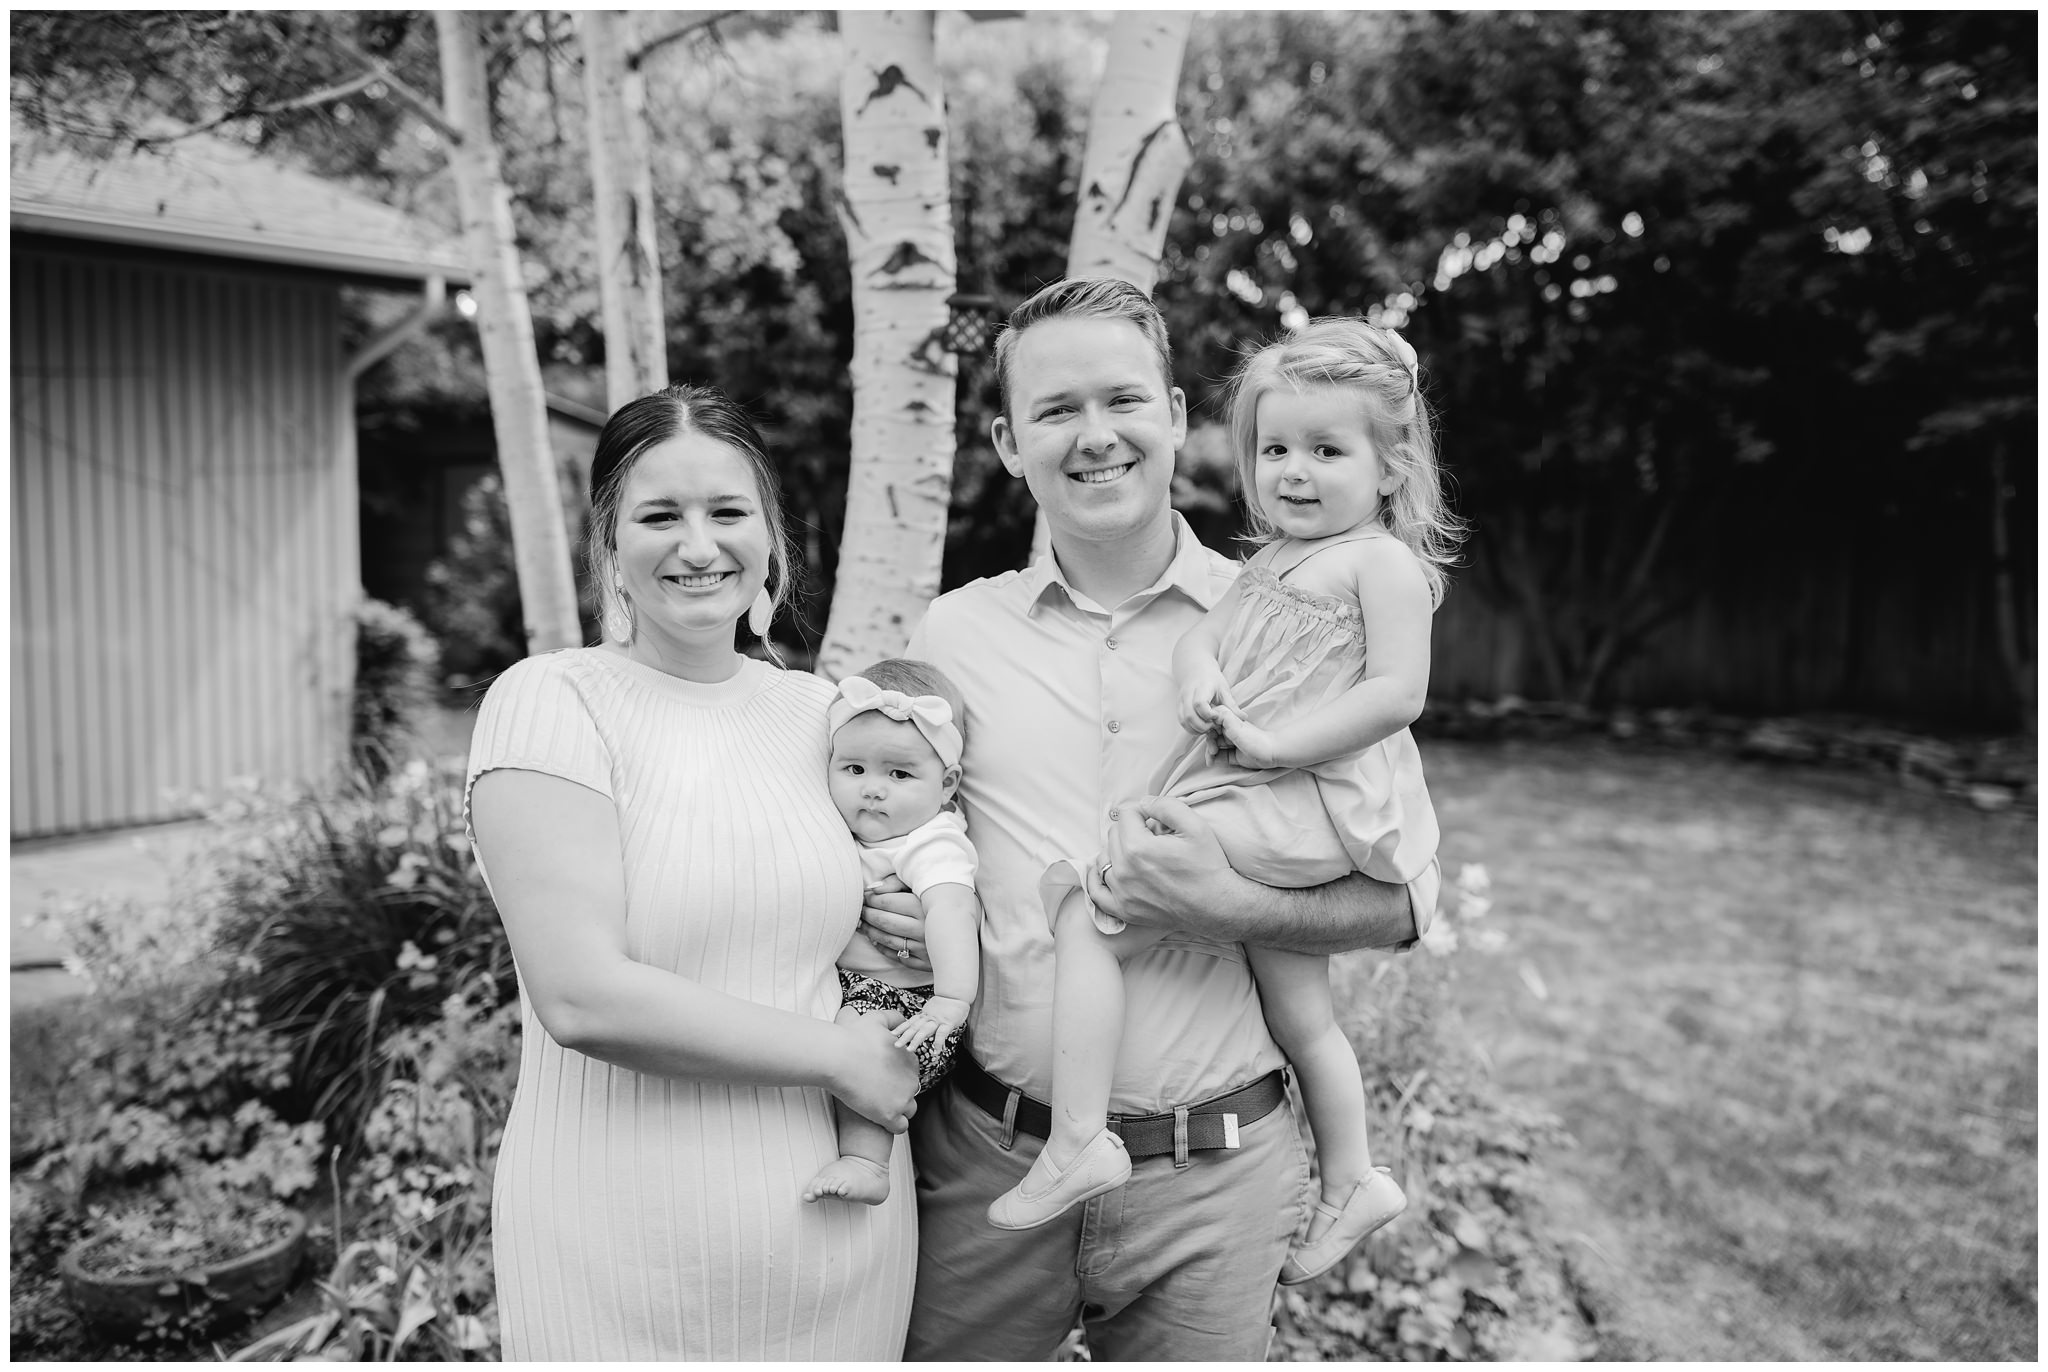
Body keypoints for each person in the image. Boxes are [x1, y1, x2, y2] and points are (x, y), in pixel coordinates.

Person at [860, 278, 1443, 1361]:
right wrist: (893, 896)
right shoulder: (953, 635)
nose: (1094, 437)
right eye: (1054, 410)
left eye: (1123, 399)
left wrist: (1227, 902)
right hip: (994, 1160)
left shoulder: (1297, 618)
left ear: (1175, 418)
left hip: (1214, 1181)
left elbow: (1399, 899)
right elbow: (892, 820)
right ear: (1004, 440)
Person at [992, 317, 1460, 1290]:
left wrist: (1275, 741)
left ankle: (1077, 1135)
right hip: (1258, 781)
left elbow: (1396, 695)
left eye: (1325, 450)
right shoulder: (1264, 565)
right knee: (1303, 1018)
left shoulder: (1378, 565)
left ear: (1389, 466)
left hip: (1305, 797)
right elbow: (1203, 641)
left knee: (1098, 905)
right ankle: (1353, 1177)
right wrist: (1204, 678)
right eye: (1272, 448)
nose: (1292, 471)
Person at [464, 384, 920, 1360]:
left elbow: (840, 925)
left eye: (726, 512)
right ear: (608, 546)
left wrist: (911, 925)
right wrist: (840, 1057)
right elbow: (584, 996)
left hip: (844, 1260)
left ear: (769, 535)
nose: (699, 545)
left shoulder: (822, 718)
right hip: (622, 1267)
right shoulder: (551, 701)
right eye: (659, 515)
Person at [803, 659, 982, 1206]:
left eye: (899, 775)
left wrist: (950, 1001)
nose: (873, 790)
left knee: (862, 1043)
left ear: (946, 784)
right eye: (854, 769)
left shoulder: (931, 841)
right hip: (867, 989)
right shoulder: (850, 830)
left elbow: (951, 911)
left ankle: (867, 1161)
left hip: (911, 1007)